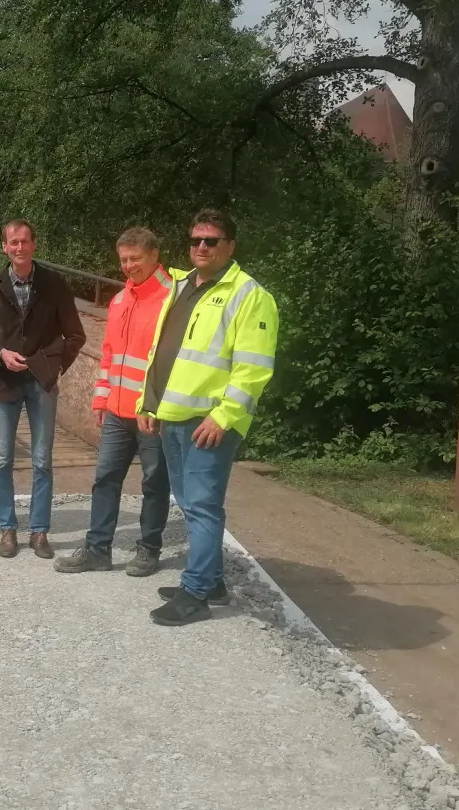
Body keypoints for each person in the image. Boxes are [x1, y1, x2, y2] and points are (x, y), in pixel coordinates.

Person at [137, 209, 278, 626]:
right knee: (191, 503)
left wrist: (225, 416)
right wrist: (150, 402)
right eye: (196, 239)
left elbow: (254, 368)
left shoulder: (249, 296)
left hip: (208, 423)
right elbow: (162, 351)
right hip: (173, 415)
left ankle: (196, 593)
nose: (201, 246)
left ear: (230, 246)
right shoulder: (182, 286)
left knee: (202, 505)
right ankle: (212, 581)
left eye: (211, 240)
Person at [54, 227, 175, 577]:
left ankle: (149, 549)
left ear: (154, 255)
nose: (129, 266)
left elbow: (173, 361)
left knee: (154, 482)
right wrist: (101, 398)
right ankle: (97, 549)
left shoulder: (172, 300)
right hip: (117, 411)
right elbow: (110, 355)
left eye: (136, 258)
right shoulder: (120, 300)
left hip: (151, 412)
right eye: (123, 260)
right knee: (105, 478)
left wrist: (157, 405)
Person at [0, 220, 86, 559]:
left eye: (24, 241)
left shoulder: (54, 284)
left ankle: (39, 531)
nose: (19, 248)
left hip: (41, 382)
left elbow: (76, 335)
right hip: (4, 381)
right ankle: (7, 529)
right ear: (4, 247)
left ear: (34, 244)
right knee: (3, 459)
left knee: (42, 460)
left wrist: (54, 366)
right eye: (13, 242)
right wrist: (0, 354)